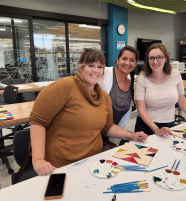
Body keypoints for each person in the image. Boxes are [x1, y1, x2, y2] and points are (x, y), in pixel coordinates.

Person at [30, 48, 148, 176]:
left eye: (99, 67)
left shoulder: (104, 97)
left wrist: (131, 136)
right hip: (59, 166)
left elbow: (107, 127)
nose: (95, 70)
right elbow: (38, 121)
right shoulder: (63, 86)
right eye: (90, 65)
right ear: (81, 67)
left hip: (92, 163)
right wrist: (38, 160)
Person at [135, 43, 186, 137]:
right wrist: (156, 129)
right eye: (151, 58)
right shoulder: (142, 78)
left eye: (159, 57)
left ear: (165, 58)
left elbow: (182, 101)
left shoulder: (175, 75)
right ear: (147, 60)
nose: (155, 61)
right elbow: (141, 109)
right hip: (146, 126)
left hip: (169, 124)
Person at [99, 46, 138, 146]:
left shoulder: (131, 83)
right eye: (124, 58)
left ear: (135, 64)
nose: (127, 63)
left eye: (132, 60)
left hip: (112, 137)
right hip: (93, 134)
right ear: (117, 60)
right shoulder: (105, 73)